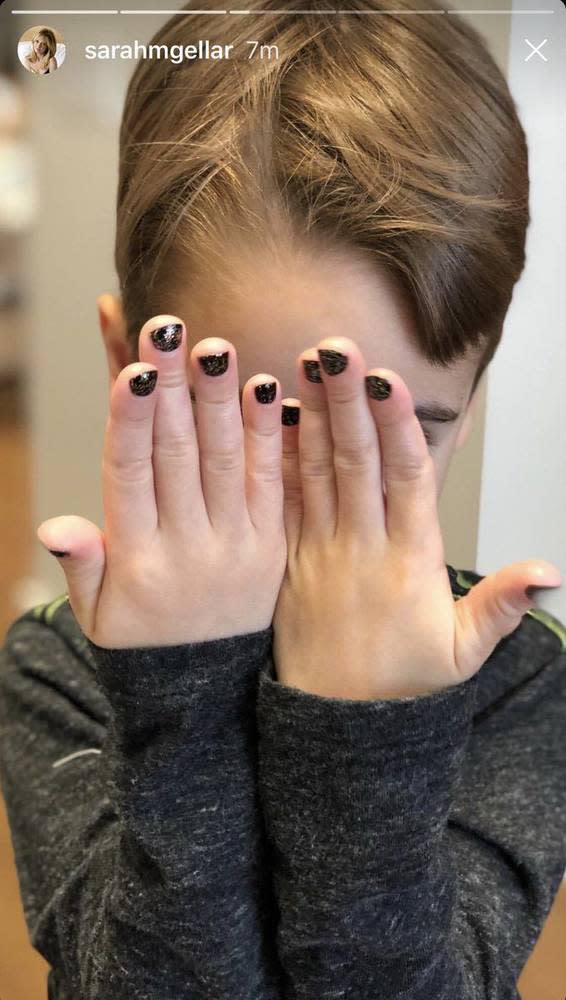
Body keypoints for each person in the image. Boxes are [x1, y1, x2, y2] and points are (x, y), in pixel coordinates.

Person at [1, 0, 565, 997]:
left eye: (398, 429)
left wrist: (370, 731)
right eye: (252, 418)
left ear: (467, 405)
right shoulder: (59, 667)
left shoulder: (521, 680)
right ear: (126, 363)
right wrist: (182, 690)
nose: (315, 501)